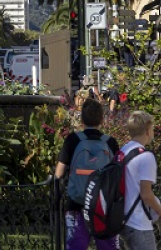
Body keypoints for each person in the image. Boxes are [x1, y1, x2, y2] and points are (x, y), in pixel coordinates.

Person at [54, 97, 120, 250]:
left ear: (82, 119)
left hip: (77, 204)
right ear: (101, 119)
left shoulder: (73, 140)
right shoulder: (110, 142)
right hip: (103, 208)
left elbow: (59, 172)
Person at [118, 111, 161, 250]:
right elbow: (146, 195)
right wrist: (160, 211)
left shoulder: (123, 151)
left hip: (123, 220)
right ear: (147, 130)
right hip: (139, 222)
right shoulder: (146, 157)